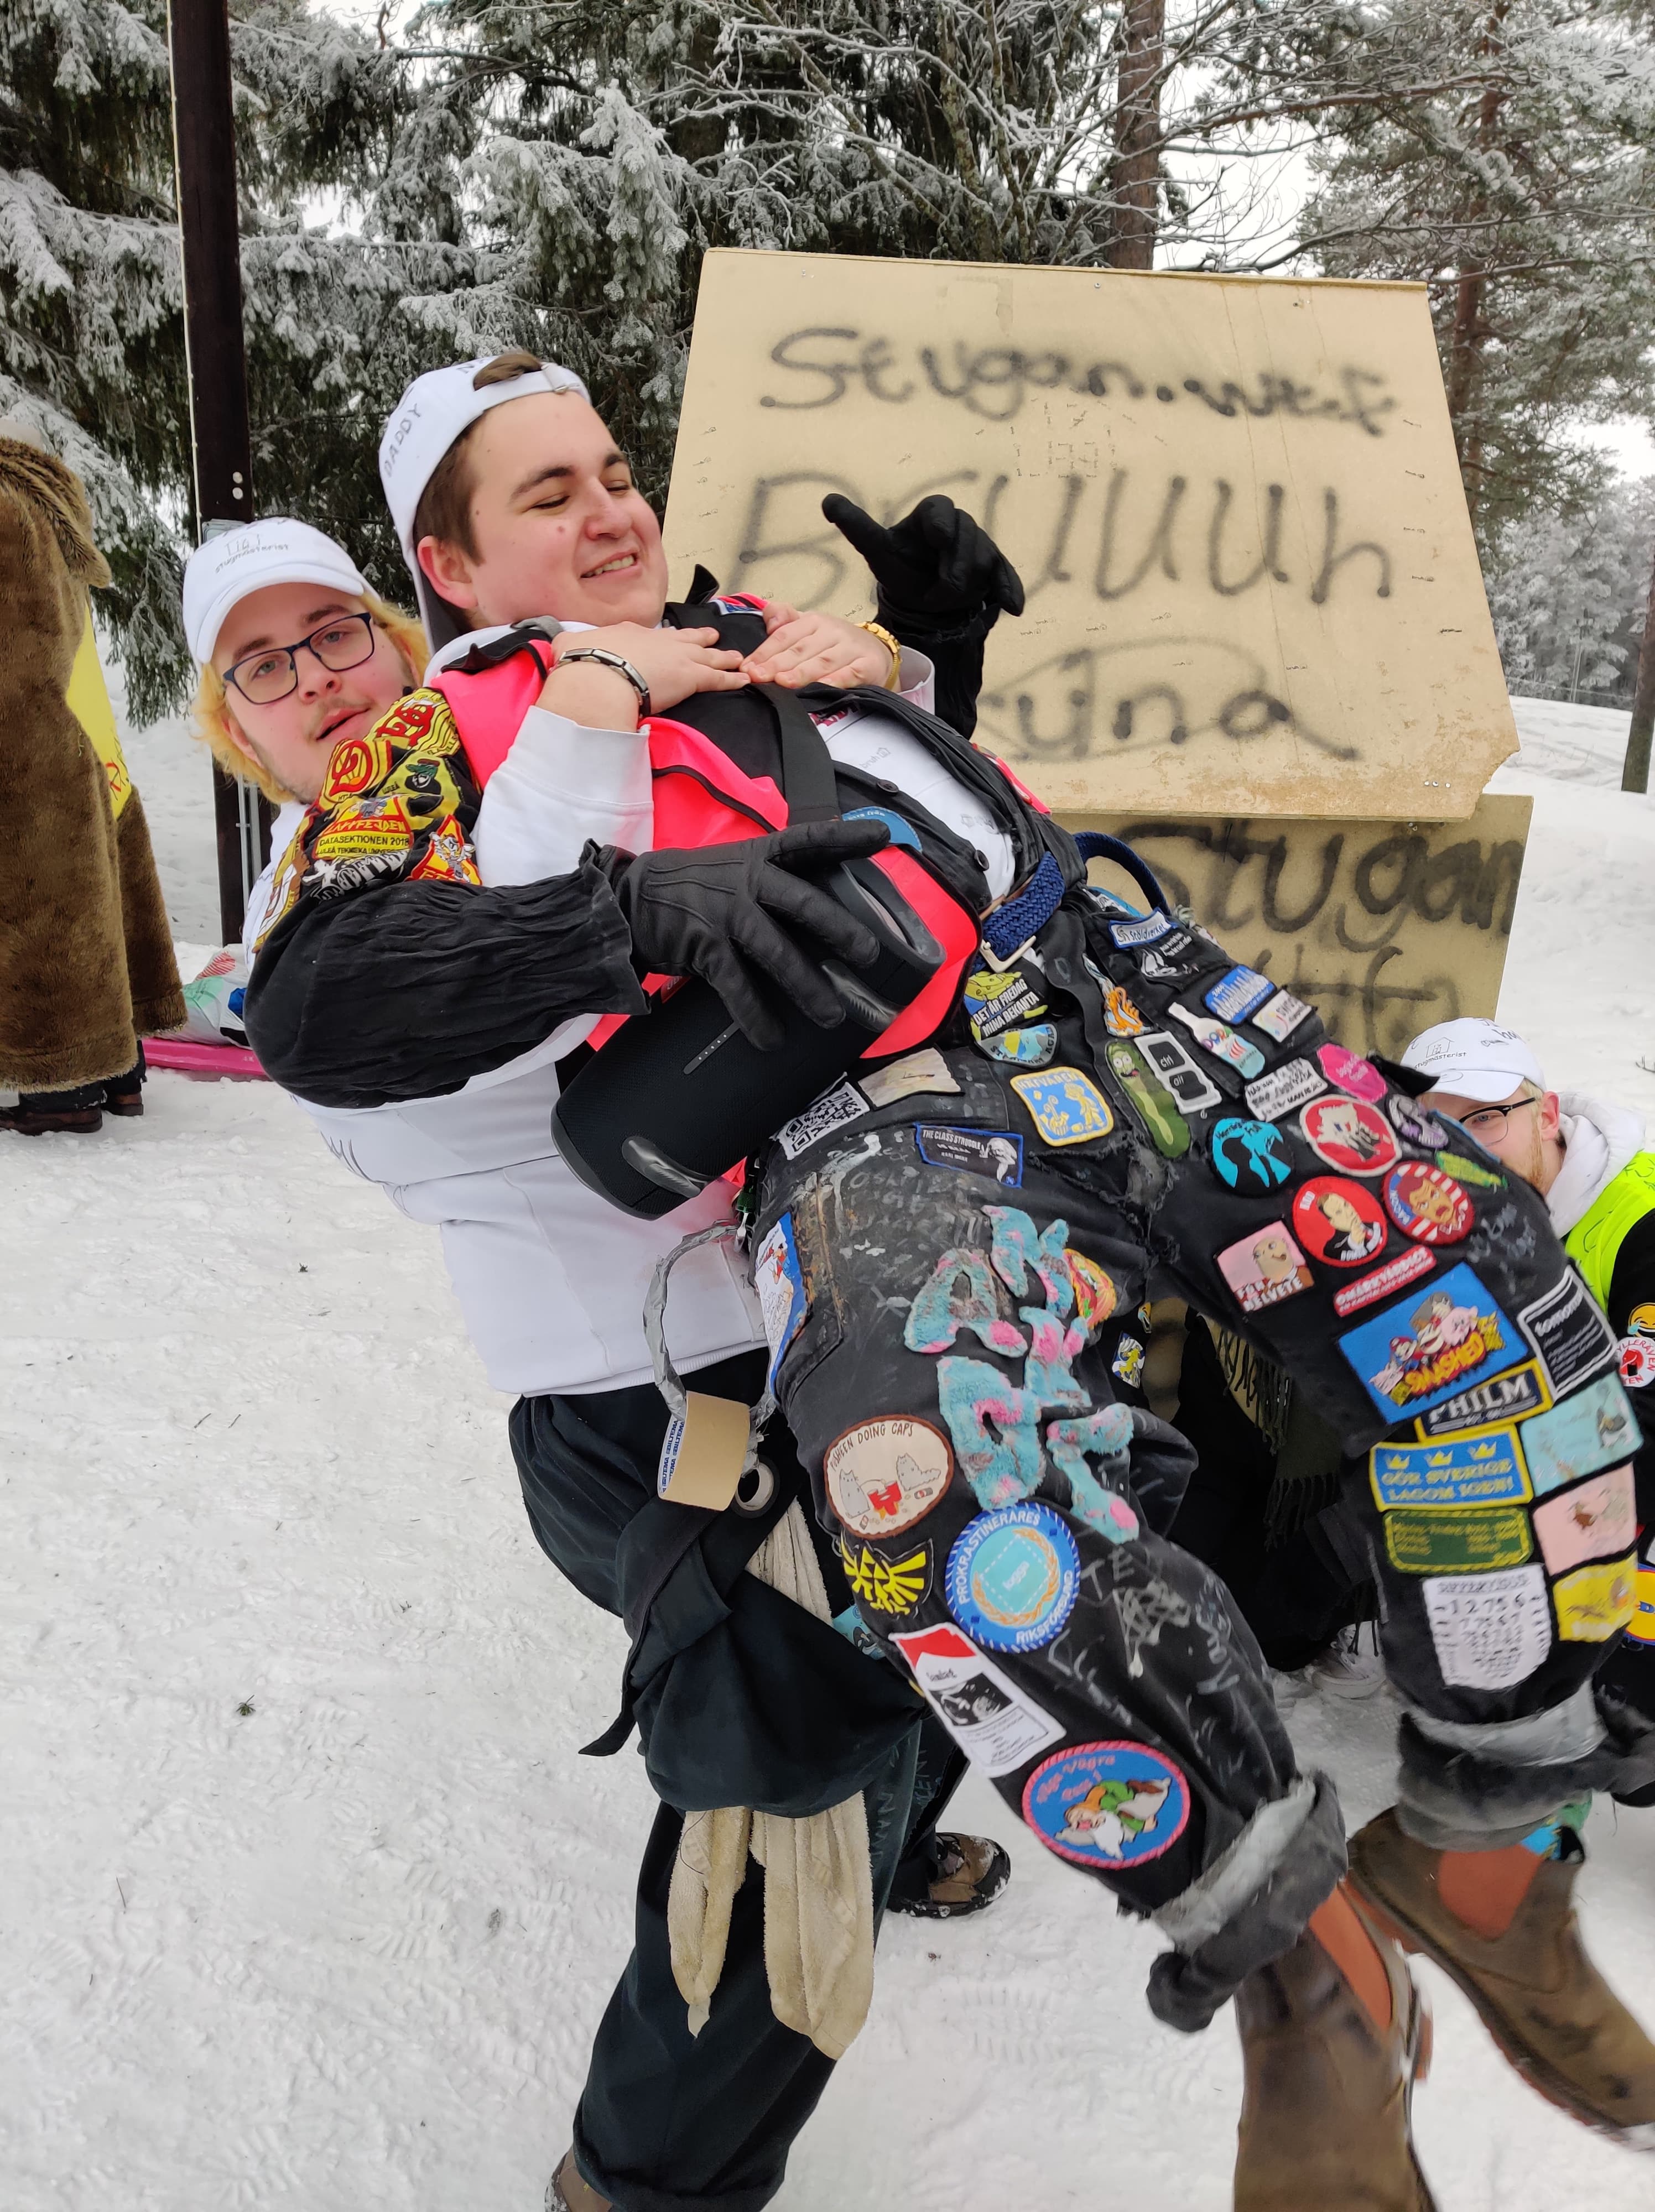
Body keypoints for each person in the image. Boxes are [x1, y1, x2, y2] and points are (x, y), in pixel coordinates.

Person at [242, 352, 1655, 2212]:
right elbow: (321, 999)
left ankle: (1485, 1843)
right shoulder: (449, 730)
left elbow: (892, 823)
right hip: (798, 1218)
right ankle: (1285, 1971)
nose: (611, 511)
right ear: (447, 567)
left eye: (615, 470)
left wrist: (922, 663)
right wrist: (626, 898)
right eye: (546, 495)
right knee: (926, 1540)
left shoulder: (748, 631)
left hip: (1117, 1000)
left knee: (1472, 1275)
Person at [1403, 1016, 1655, 1771]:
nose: (1463, 1150)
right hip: (1577, 1467)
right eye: (1435, 1131)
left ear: (1546, 1115)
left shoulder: (1638, 1223)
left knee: (1620, 1727)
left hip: (1630, 1474)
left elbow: (1646, 1430)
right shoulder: (1454, 1215)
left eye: (1485, 1118)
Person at [1, 418, 184, 1133]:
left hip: (24, 747)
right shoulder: (41, 496)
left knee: (42, 912)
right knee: (90, 901)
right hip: (78, 727)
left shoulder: (5, 506)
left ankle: (63, 1090)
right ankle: (118, 1073)